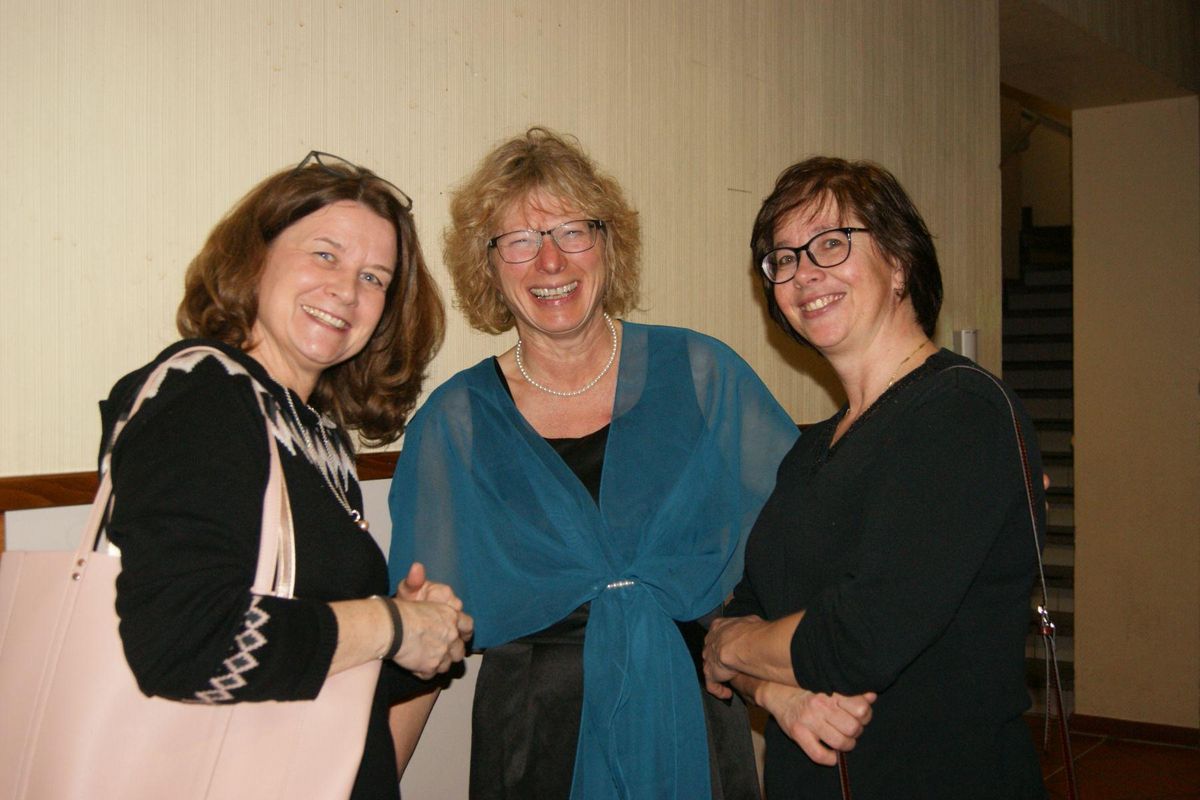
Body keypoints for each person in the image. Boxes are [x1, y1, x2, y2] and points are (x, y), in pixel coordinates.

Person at [387, 128, 856, 799]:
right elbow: (420, 636)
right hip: (534, 742)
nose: (550, 260)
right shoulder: (455, 423)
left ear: (609, 244)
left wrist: (790, 687)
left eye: (573, 231)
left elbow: (808, 547)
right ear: (488, 266)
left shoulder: (701, 375)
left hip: (693, 719)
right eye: (519, 240)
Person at [100, 151, 474, 799]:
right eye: (325, 255)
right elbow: (185, 644)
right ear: (255, 258)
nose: (347, 290)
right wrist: (389, 625)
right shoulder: (204, 396)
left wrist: (417, 643)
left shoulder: (315, 435)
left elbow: (300, 663)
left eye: (374, 277)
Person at [702, 156, 1048, 798]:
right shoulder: (811, 448)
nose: (805, 273)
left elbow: (855, 640)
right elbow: (746, 609)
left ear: (899, 262)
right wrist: (776, 693)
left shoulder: (962, 412)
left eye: (831, 243)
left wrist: (729, 650)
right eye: (784, 259)